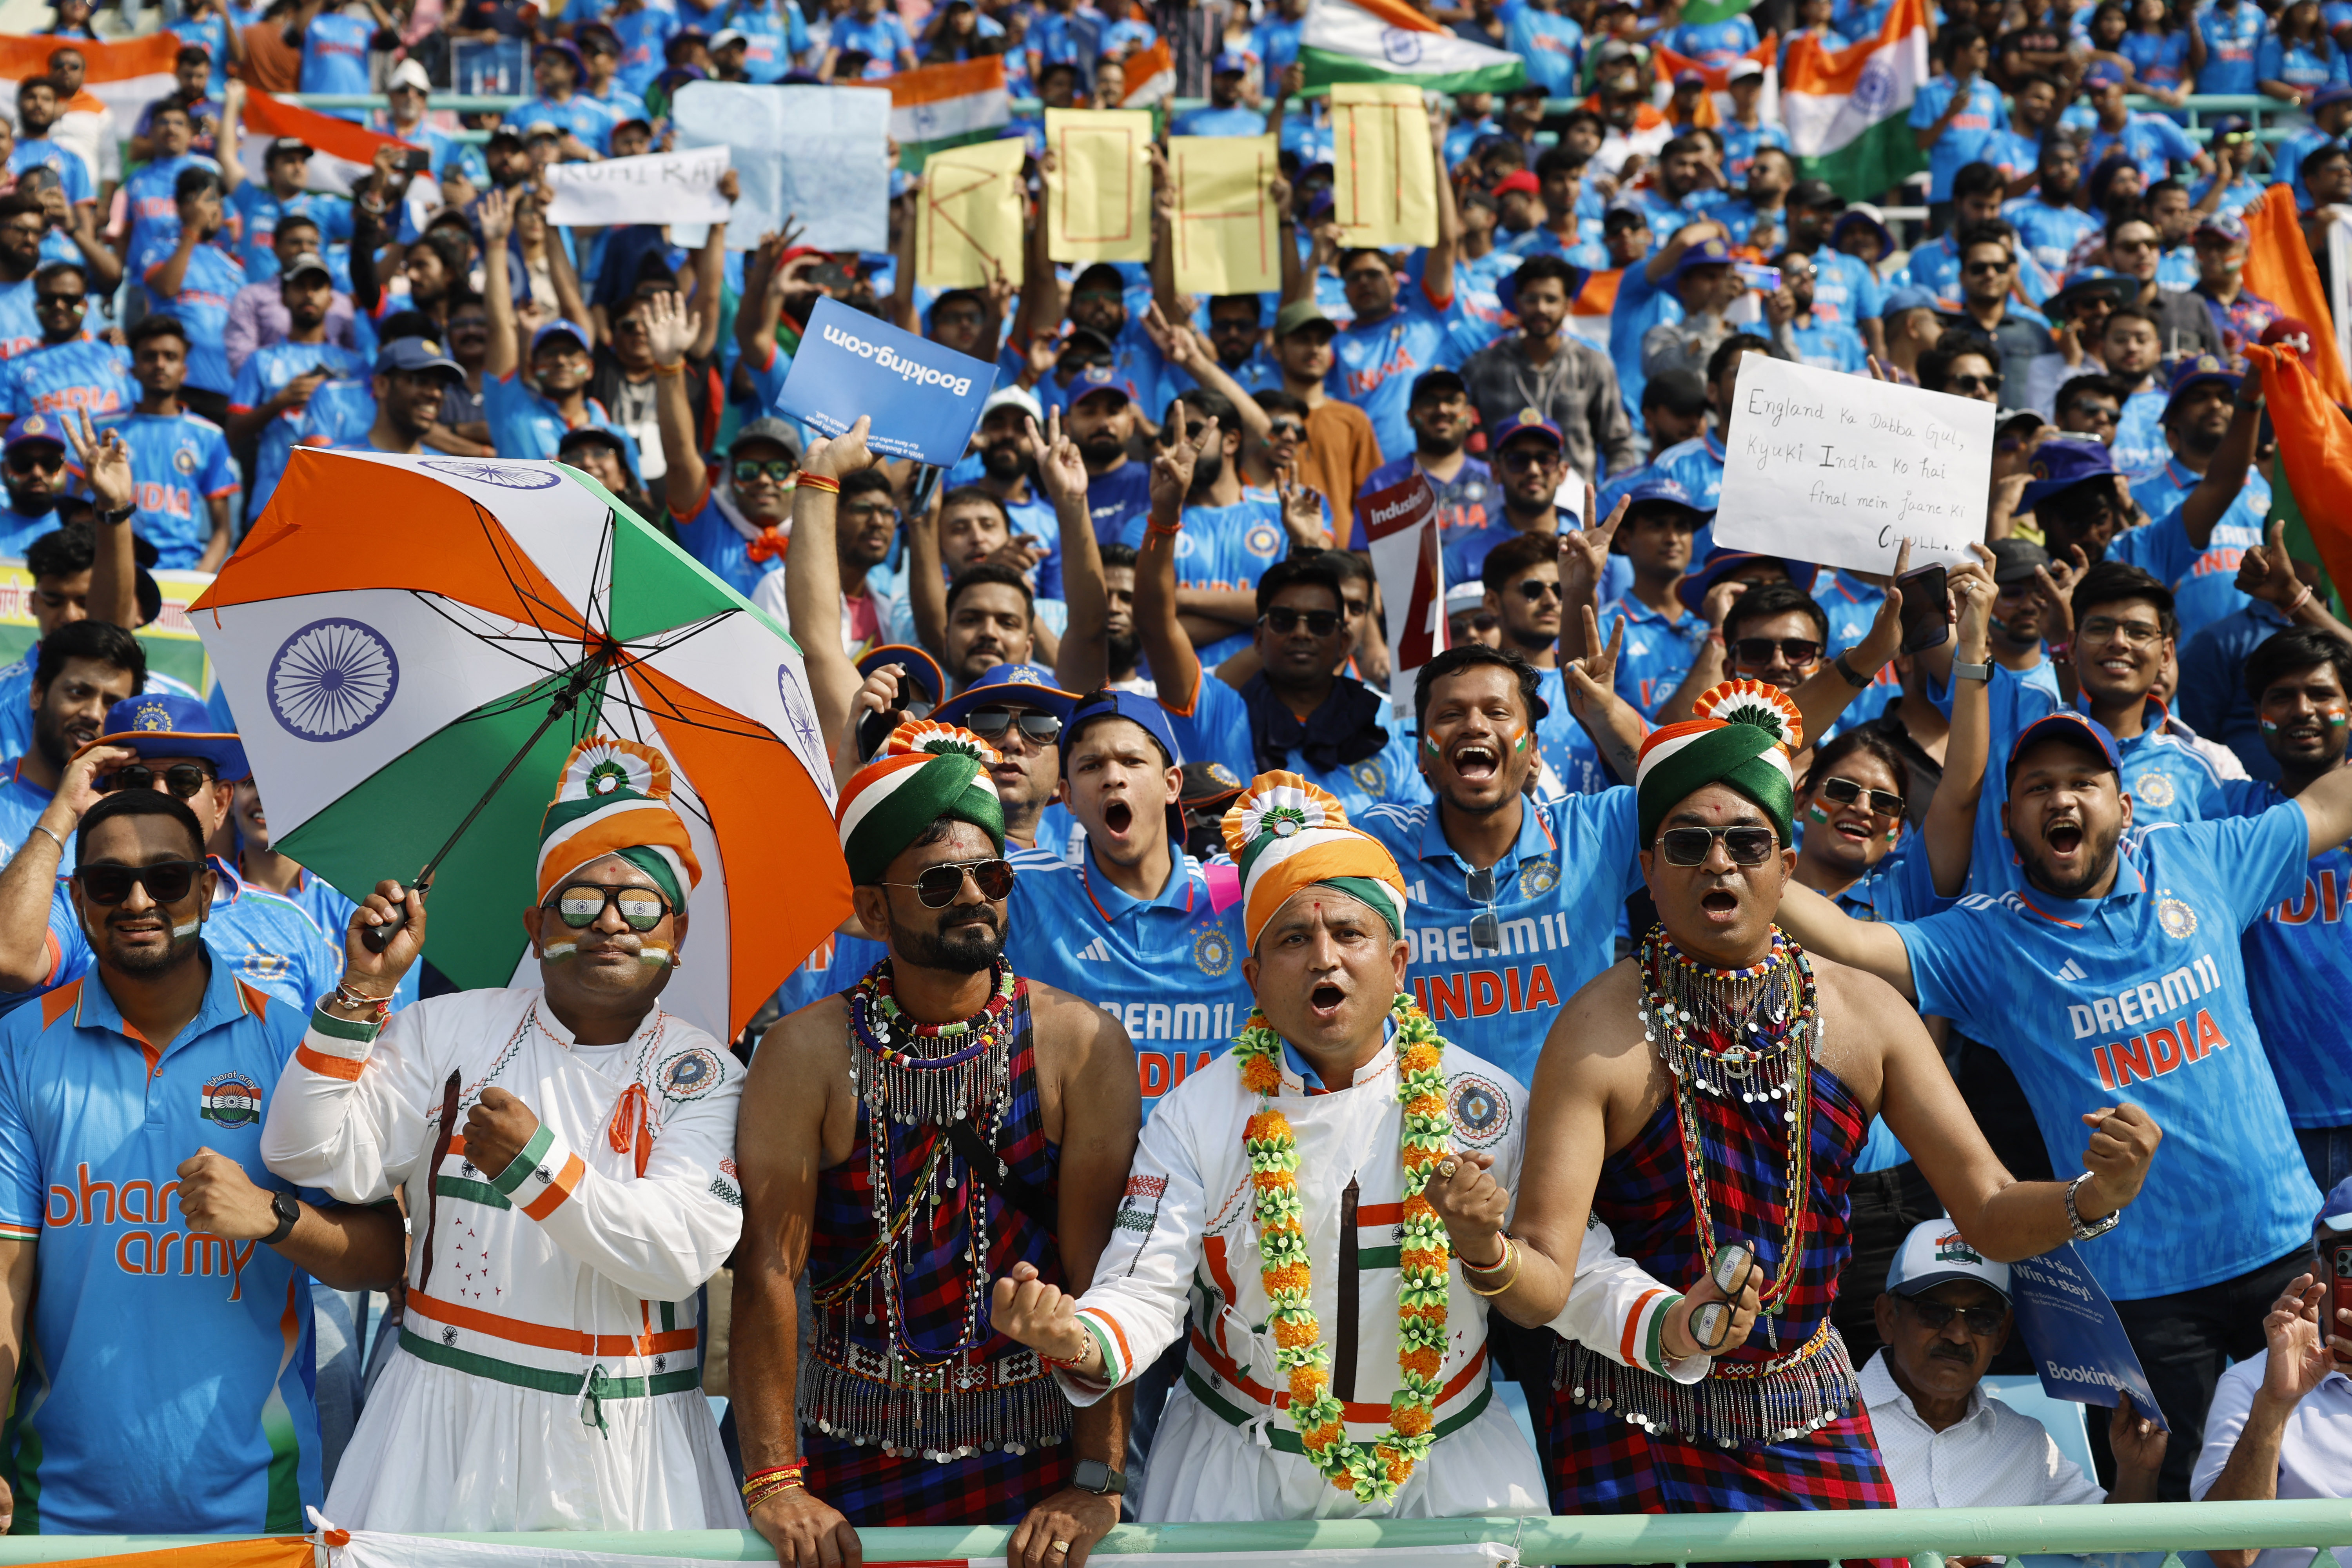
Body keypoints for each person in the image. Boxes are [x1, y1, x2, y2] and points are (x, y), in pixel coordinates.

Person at [986, 768, 1763, 1521]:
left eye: (1349, 931)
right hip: (1237, 1474)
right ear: (1254, 977)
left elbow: (1570, 1267)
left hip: (1450, 1473)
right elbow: (1144, 1288)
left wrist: (1668, 1323)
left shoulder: (1481, 1102)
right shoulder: (1197, 1113)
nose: (1324, 956)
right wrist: (1082, 1336)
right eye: (1294, 937)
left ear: (1397, 964)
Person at [1492, 681, 2163, 1516]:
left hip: (1802, 1401)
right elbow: (1545, 1266)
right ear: (1647, 869)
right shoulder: (1595, 1029)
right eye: (1689, 841)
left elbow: (1986, 1208)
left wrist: (2093, 1197)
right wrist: (1486, 1247)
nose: (1719, 861)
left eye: (1746, 839)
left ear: (1785, 862)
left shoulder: (1866, 1014)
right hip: (1630, 1408)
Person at [1778, 699, 2352, 1496]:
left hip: (2284, 1247)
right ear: (2009, 821)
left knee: (2328, 1483)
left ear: (2122, 802)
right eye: (2038, 786)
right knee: (2173, 1518)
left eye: (2083, 779)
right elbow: (1847, 941)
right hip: (2138, 1295)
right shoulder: (1988, 939)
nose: (2062, 798)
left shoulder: (2203, 857)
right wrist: (1743, 839)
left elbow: (2332, 801)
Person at [261, 736, 745, 1531]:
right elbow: (310, 1153)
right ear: (536, 921)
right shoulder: (448, 1028)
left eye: (642, 904)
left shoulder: (706, 1071)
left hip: (629, 1452)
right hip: (437, 1429)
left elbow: (678, 1251)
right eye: (581, 901)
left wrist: (536, 1165)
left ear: (678, 933)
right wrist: (362, 990)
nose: (611, 924)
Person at [731, 718, 1138, 1557]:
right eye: (939, 882)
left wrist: (1097, 1478)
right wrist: (777, 1481)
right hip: (847, 1452)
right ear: (874, 908)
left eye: (989, 873)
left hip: (1037, 1456)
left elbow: (1104, 1273)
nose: (973, 896)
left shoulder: (1079, 1043)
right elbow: (771, 1267)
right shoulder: (803, 1051)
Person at [0, 786, 404, 1534]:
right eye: (109, 882)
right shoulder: (20, 1047)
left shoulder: (292, 1047)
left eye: (168, 877)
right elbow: (5, 1277)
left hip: (262, 1511)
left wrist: (276, 1218)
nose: (139, 900)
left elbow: (384, 1257)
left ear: (210, 888)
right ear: (80, 900)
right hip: (51, 1512)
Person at [1143, 430, 1422, 818]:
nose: (1302, 632)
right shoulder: (1218, 714)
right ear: (1259, 636)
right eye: (1284, 620)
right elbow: (1155, 625)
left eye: (1322, 623)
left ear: (1345, 642)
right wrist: (1165, 517)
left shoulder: (1382, 726)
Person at [1865, 1219, 2167, 1506]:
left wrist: (2137, 1471)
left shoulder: (2025, 1443)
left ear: (2001, 1334)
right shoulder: (1828, 1418)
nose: (1958, 1336)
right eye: (1933, 1312)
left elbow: (2111, 1548)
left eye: (1981, 1318)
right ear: (1888, 1318)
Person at [2219, 629, 2352, 1191]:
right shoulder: (2229, 816)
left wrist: (2301, 606)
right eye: (2282, 696)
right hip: (2275, 1120)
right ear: (2258, 715)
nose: (2303, 710)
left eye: (2323, 694)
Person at [2191, 1173, 2352, 1560]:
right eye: (2347, 1255)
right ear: (2321, 1269)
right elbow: (2232, 1553)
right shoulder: (2252, 1383)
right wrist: (2275, 1406)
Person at [1456, 256, 1636, 492]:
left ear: (1568, 306)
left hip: (1577, 511)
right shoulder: (1482, 366)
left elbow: (1618, 443)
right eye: (1532, 299)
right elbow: (1460, 436)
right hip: (1503, 508)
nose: (1541, 308)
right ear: (1517, 304)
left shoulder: (1593, 364)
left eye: (1551, 300)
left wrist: (1611, 498)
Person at [226, 252, 368, 526]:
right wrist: (280, 402)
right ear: (283, 297)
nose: (309, 294)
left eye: (317, 286)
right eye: (300, 286)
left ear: (331, 298)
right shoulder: (261, 360)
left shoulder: (356, 366)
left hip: (338, 503)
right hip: (273, 501)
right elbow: (233, 431)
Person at [85, 316, 235, 572]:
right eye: (150, 356)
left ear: (184, 370)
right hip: (115, 567)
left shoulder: (209, 435)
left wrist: (197, 582)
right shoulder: (104, 429)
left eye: (170, 357)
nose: (160, 365)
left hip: (182, 572)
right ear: (133, 369)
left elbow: (222, 528)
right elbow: (81, 506)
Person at [0, 615, 139, 857]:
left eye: (112, 704)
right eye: (78, 692)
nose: (94, 714)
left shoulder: (137, 822)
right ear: (37, 693)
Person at [140, 167, 246, 423]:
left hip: (224, 387)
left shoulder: (235, 268)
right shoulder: (160, 250)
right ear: (181, 206)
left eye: (218, 202)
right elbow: (166, 288)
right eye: (206, 201)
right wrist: (192, 231)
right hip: (174, 384)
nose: (213, 210)